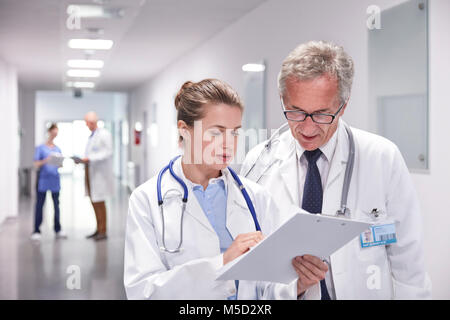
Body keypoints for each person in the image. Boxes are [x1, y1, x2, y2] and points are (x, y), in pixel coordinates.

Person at [241, 40, 432, 299]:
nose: (307, 129)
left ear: (343, 105)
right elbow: (251, 270)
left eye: (321, 114)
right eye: (295, 112)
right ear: (282, 99)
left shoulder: (381, 158)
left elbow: (409, 265)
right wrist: (291, 288)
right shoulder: (259, 163)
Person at [124, 79, 285, 299]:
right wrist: (223, 263)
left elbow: (272, 281)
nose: (229, 144)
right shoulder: (146, 200)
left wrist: (298, 285)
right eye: (216, 133)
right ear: (184, 130)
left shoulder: (256, 197)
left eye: (235, 133)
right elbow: (143, 291)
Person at [75, 111, 113, 241]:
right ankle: (98, 228)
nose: (86, 125)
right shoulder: (92, 136)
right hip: (91, 171)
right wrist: (85, 160)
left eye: (87, 123)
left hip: (99, 175)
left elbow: (108, 152)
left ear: (92, 122)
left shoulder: (104, 134)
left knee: (99, 202)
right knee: (94, 201)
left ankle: (103, 230)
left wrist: (90, 158)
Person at [30, 123, 67, 241]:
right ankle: (36, 230)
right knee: (40, 205)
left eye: (57, 132)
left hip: (55, 180)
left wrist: (59, 162)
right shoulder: (40, 148)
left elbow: (60, 165)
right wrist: (46, 160)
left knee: (56, 205)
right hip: (43, 180)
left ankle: (58, 229)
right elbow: (36, 163)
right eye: (53, 132)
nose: (55, 134)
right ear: (49, 132)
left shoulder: (57, 148)